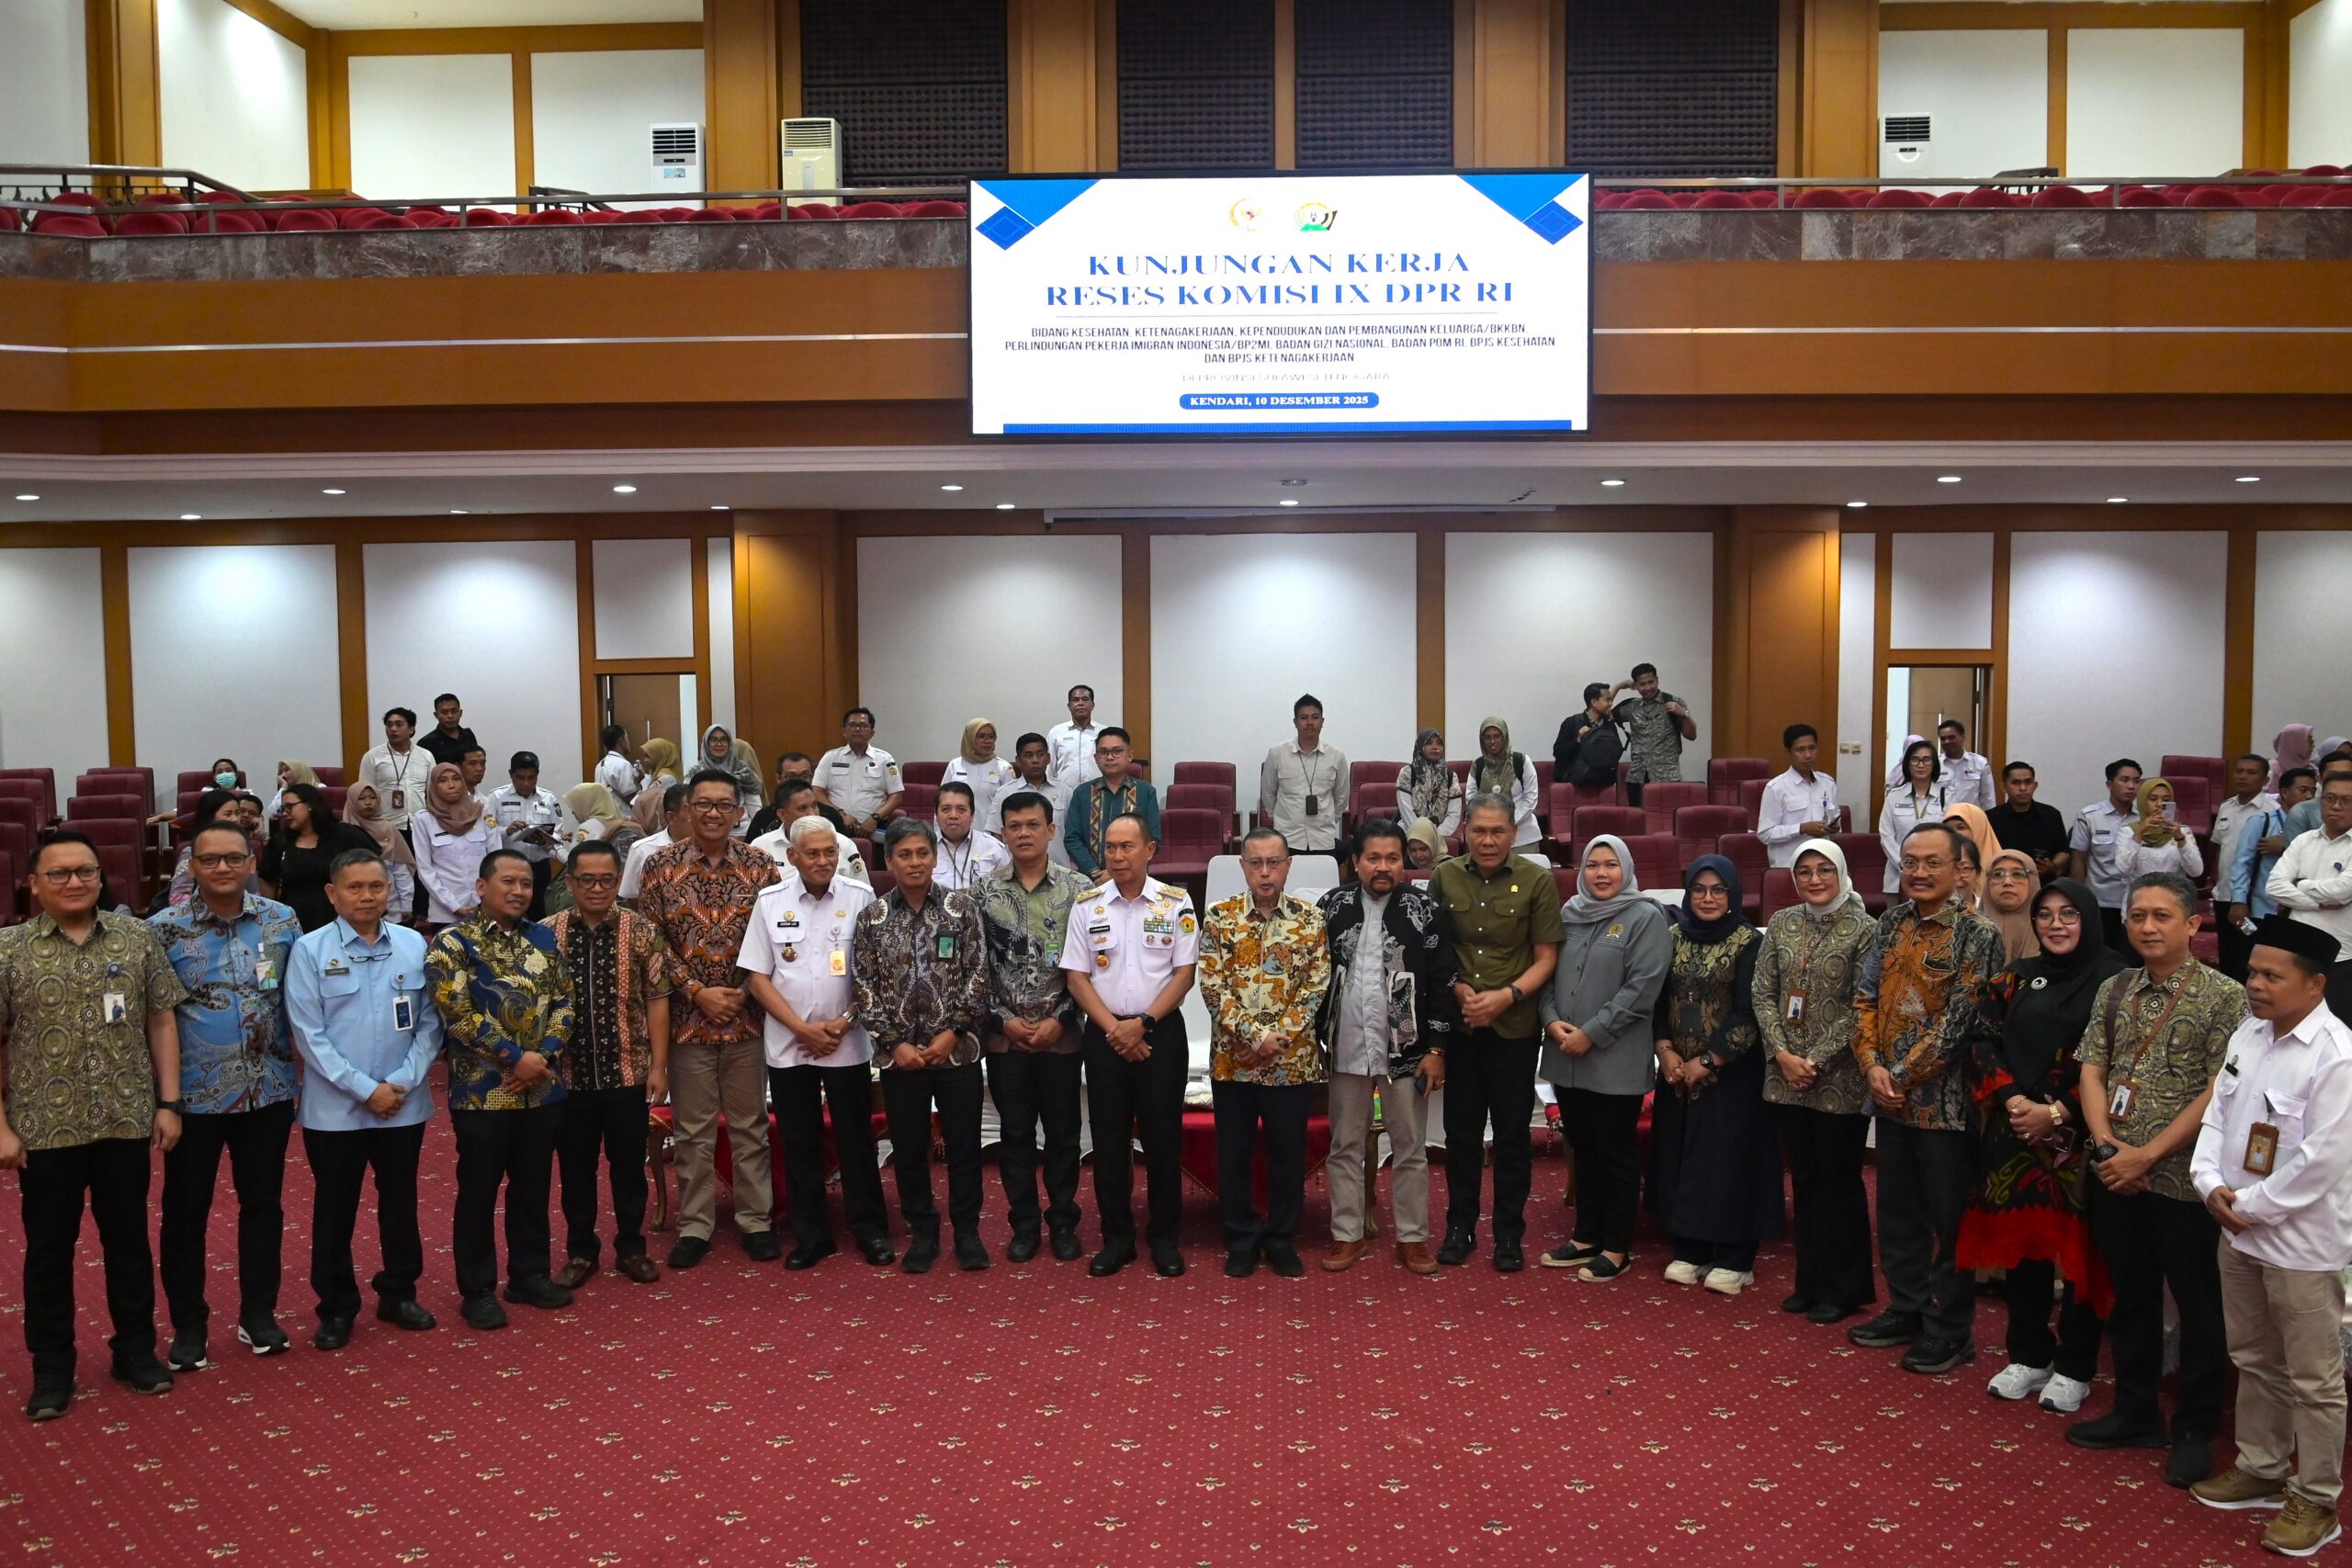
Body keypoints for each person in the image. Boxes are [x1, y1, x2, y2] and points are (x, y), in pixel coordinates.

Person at [0, 832, 187, 1418]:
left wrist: (169, 1103)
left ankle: (134, 1352)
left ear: (103, 878)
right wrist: (0, 1127)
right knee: (49, 1253)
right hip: (43, 1128)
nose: (74, 882)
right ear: (34, 884)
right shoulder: (8, 950)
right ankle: (52, 1369)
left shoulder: (136, 936)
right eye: (58, 874)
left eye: (85, 871)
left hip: (125, 1119)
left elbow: (160, 1019)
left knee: (128, 1244)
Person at [2071, 871, 2247, 1485]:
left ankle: (2195, 1427)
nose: (2147, 926)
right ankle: (2135, 1408)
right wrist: (2107, 1147)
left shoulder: (2227, 997)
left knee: (2200, 1308)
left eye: (2162, 916)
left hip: (2181, 1180)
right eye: (2138, 915)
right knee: (2132, 1296)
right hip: (2116, 1170)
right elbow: (2093, 1068)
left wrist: (2146, 1155)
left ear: (2193, 924)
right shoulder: (2116, 986)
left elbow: (2218, 1091)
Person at [2188, 916, 2352, 1555]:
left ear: (2314, 985)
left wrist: (2247, 1205)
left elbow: (2323, 1162)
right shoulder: (2249, 1033)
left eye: (2269, 975)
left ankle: (2316, 1499)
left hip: (2301, 1243)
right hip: (2239, 1226)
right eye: (2252, 971)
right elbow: (2218, 1113)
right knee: (2254, 1357)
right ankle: (2261, 1464)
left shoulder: (2337, 1054)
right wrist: (2208, 1183)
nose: (2253, 983)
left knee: (2314, 1378)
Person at [1961, 878, 2125, 1416]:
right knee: (2025, 1246)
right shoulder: (2017, 976)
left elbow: (2120, 1063)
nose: (2056, 925)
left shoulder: (2117, 980)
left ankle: (2076, 1364)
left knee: (2081, 1254)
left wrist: (2056, 1112)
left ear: (2089, 920)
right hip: (2016, 1136)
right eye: (2046, 915)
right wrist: (2012, 1101)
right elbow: (1982, 1037)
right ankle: (2028, 1353)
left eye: (2069, 915)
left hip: (2083, 1138)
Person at [1848, 822, 2006, 1375]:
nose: (1918, 872)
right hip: (1889, 1100)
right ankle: (1907, 1308)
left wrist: (1898, 1075)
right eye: (1910, 861)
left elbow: (1958, 1023)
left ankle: (1950, 1329)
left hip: (1945, 1105)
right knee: (1897, 1214)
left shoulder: (1977, 934)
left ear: (1960, 869)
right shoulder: (1889, 921)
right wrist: (1870, 1066)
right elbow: (1863, 997)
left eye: (1931, 862)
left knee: (1949, 1222)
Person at [148, 823, 304, 1368]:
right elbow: (155, 1018)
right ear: (191, 866)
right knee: (185, 1212)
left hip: (269, 1089)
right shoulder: (162, 931)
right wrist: (161, 1100)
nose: (221, 869)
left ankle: (258, 1314)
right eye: (209, 860)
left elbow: (296, 1000)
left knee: (262, 1206)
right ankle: (189, 1326)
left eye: (233, 859)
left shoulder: (281, 920)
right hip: (193, 1097)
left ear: (250, 861)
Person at [284, 850, 441, 1351]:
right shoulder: (309, 951)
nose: (368, 896)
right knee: (335, 1210)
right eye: (355, 888)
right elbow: (308, 1034)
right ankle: (335, 1307)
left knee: (400, 1205)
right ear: (332, 894)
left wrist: (400, 1083)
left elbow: (431, 1022)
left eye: (376, 886)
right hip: (335, 1110)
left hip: (402, 1103)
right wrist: (364, 1089)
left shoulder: (414, 945)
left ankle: (399, 1292)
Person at [632, 769, 780, 1269]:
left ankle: (755, 1220)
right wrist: (697, 991)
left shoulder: (762, 866)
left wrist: (737, 993)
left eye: (724, 805)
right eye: (704, 804)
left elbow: (777, 940)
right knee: (693, 1131)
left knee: (750, 1126)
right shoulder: (659, 867)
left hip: (747, 1017)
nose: (714, 813)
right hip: (687, 1021)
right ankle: (695, 1226)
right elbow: (651, 943)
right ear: (686, 810)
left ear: (740, 812)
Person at [426, 851, 575, 1330]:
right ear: (481, 886)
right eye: (508, 882)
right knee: (479, 1190)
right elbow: (458, 1015)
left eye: (526, 884)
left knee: (533, 1187)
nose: (518, 891)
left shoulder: (543, 937)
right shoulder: (453, 943)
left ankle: (529, 1274)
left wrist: (545, 1057)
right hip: (482, 1091)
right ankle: (477, 1288)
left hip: (542, 1089)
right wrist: (517, 1058)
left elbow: (564, 1003)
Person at [741, 816, 893, 1269]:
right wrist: (803, 1029)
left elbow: (875, 974)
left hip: (847, 1041)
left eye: (830, 852)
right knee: (799, 1140)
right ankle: (812, 1235)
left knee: (856, 1140)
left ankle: (870, 1229)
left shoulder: (862, 897)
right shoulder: (769, 901)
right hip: (791, 1045)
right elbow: (756, 976)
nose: (824, 861)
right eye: (813, 853)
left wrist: (845, 1022)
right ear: (793, 857)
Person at [1318, 818, 1458, 1275]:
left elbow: (1443, 983)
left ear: (1405, 862)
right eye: (1373, 858)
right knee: (1345, 1145)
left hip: (1408, 1050)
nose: (1383, 867)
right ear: (1355, 862)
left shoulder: (1425, 909)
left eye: (1392, 858)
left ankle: (1413, 1238)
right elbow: (1314, 980)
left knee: (1410, 1146)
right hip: (1344, 1046)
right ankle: (1347, 1234)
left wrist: (1437, 1048)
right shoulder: (1330, 907)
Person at [1060, 812, 1198, 1278]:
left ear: (1149, 850)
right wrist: (1116, 1030)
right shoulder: (1087, 905)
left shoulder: (1176, 903)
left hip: (1160, 1034)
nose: (1117, 856)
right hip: (1104, 1037)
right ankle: (1117, 1239)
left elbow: (1185, 974)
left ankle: (1164, 1238)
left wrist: (1141, 1023)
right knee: (1109, 1142)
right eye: (1111, 848)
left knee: (1162, 1140)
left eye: (1127, 847)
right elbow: (1076, 977)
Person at [850, 819, 991, 1274]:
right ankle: (923, 1233)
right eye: (904, 855)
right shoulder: (872, 917)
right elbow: (863, 987)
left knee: (964, 1148)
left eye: (922, 853)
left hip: (957, 1053)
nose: (915, 862)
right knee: (909, 1150)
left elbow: (979, 976)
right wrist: (894, 1044)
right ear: (888, 861)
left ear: (934, 856)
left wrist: (953, 1031)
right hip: (901, 1060)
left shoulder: (961, 908)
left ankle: (967, 1233)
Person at [1430, 793, 1564, 1271]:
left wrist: (1506, 997)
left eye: (1498, 832)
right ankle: (1460, 1228)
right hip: (1462, 1028)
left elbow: (1547, 957)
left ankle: (1509, 1234)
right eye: (1479, 831)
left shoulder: (1537, 879)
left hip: (1515, 1028)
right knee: (1460, 1137)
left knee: (1511, 1137)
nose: (1488, 841)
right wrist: (1460, 989)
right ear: (1465, 830)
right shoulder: (1445, 875)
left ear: (1514, 833)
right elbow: (1434, 950)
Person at [1537, 834, 1672, 1282]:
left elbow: (1642, 989)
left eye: (1611, 865)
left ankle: (1616, 1245)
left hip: (1613, 1059)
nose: (1601, 873)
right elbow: (1547, 973)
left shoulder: (1644, 918)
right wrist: (1551, 1020)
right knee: (1584, 1147)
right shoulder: (1569, 914)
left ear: (1627, 870)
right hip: (1566, 1056)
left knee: (1615, 1153)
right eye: (1593, 864)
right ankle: (1585, 1235)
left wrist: (1591, 1035)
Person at [1755, 839, 1879, 1324]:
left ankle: (1844, 1288)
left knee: (1839, 1180)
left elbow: (1861, 1003)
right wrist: (1783, 1054)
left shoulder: (1866, 928)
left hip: (1839, 1078)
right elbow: (1763, 991)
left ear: (1840, 871)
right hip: (1786, 1075)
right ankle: (1809, 1282)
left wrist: (1814, 1059)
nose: (1814, 879)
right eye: (1804, 870)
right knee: (1804, 1180)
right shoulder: (1783, 923)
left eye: (1824, 869)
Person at [1197, 829, 1331, 1279]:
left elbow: (1315, 987)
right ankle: (1239, 1238)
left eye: (1274, 862)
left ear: (1289, 865)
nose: (1265, 872)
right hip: (1233, 1061)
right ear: (1242, 866)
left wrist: (1277, 1039)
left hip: (1290, 1063)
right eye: (1256, 863)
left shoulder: (1310, 921)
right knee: (1233, 1154)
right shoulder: (1219, 918)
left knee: (1287, 1155)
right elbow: (1212, 986)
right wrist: (1254, 1038)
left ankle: (1280, 1238)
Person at [1646, 857, 1777, 1295]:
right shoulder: (1671, 938)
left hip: (1732, 1074)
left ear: (1734, 894)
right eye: (1699, 889)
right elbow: (1656, 1000)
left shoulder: (1749, 942)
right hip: (1677, 1074)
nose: (1707, 897)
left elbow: (1749, 1012)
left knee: (1729, 1160)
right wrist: (1665, 1052)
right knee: (1682, 1155)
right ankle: (1691, 1248)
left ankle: (1737, 1257)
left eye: (1718, 889)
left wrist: (1708, 1061)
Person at [544, 840, 670, 1290]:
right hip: (567, 1077)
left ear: (618, 880)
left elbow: (657, 1001)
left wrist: (659, 1065)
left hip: (628, 1072)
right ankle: (581, 1251)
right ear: (571, 882)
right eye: (587, 880)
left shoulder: (642, 931)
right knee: (575, 1169)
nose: (597, 888)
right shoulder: (546, 933)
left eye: (606, 879)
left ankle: (632, 1248)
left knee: (628, 1166)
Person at [975, 789, 1092, 1263]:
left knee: (1064, 1137)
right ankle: (1024, 1225)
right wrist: (1005, 1022)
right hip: (1005, 1040)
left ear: (1051, 830)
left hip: (1061, 1037)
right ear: (1002, 833)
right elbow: (973, 968)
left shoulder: (1080, 889)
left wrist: (1061, 1019)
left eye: (1032, 825)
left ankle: (1063, 1221)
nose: (1023, 833)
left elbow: (1089, 967)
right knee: (1016, 1137)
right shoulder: (982, 893)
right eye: (1014, 826)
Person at [2267, 769, 2352, 1016]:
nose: (2335, 806)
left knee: (2340, 1032)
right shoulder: (2304, 840)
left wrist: (2301, 885)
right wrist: (2316, 903)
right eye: (2329, 798)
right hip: (2296, 952)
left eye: (2346, 800)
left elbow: (2342, 890)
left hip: (2342, 956)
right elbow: (2274, 886)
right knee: (2292, 1022)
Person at [2226, 767, 2318, 981]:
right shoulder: (2263, 822)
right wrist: (2238, 900)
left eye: (2313, 791)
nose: (2309, 796)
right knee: (2255, 967)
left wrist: (2285, 846)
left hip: (2300, 910)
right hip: (2262, 908)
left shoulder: (2315, 827)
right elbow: (2242, 863)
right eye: (2303, 790)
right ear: (2284, 792)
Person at [261, 782, 369, 933]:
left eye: (290, 807)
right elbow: (267, 878)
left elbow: (371, 868)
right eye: (283, 809)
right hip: (293, 920)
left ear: (310, 804)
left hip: (340, 917)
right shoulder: (281, 841)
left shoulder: (345, 834)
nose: (286, 813)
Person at [2210, 754, 2278, 981]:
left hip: (2252, 899)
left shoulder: (2271, 810)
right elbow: (2219, 847)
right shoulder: (2226, 807)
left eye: (2251, 772)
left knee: (2250, 956)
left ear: (2264, 779)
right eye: (2239, 771)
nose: (2243, 776)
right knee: (2227, 955)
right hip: (2224, 894)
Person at [1259, 694, 1348, 855]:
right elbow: (1268, 793)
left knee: (1324, 881)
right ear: (1295, 722)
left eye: (1315, 717)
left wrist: (1328, 820)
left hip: (1323, 839)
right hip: (1287, 838)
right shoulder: (1277, 753)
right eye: (1304, 717)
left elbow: (1341, 797)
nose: (1310, 723)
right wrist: (1280, 819)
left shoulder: (1336, 756)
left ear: (1322, 722)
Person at [411, 762, 497, 931]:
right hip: (445, 913)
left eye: (456, 779)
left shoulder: (483, 813)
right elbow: (425, 869)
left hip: (485, 907)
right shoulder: (424, 819)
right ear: (434, 786)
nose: (451, 785)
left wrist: (485, 902)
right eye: (443, 781)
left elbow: (496, 860)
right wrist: (453, 906)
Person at [2071, 757, 2145, 950]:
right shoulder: (2090, 816)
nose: (2131, 786)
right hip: (2100, 901)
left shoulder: (2145, 819)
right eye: (2125, 780)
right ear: (2109, 784)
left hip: (2135, 902)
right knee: (2099, 954)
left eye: (2136, 781)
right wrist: (2079, 900)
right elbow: (2079, 859)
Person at [1065, 728, 1159, 877]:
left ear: (1129, 756)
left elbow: (1153, 838)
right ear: (1096, 758)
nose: (1110, 757)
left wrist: (1115, 873)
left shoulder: (1146, 792)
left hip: (1134, 877)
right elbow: (1072, 838)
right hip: (1092, 879)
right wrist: (1095, 872)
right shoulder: (1082, 793)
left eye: (1117, 751)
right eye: (1103, 752)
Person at [485, 750, 569, 919]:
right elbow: (486, 833)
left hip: (539, 866)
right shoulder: (496, 797)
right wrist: (507, 831)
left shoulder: (549, 798)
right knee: (508, 914)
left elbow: (558, 833)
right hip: (508, 867)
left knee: (540, 914)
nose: (525, 783)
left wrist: (545, 839)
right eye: (520, 777)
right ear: (511, 775)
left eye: (531, 778)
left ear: (537, 775)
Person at [752, 779, 870, 884]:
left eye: (814, 806)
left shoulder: (844, 844)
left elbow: (862, 895)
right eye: (802, 808)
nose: (812, 814)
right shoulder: (760, 847)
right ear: (782, 815)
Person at [1758, 724, 1840, 870]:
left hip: (1823, 864)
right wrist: (1801, 828)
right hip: (1789, 867)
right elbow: (1765, 834)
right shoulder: (1776, 788)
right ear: (1788, 752)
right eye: (1800, 750)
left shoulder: (1827, 783)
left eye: (1812, 748)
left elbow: (1836, 828)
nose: (1808, 755)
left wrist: (1833, 828)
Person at [1610, 662, 1697, 796]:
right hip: (1636, 776)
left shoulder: (1673, 702)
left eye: (1651, 682)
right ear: (1636, 686)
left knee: (1665, 817)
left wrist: (1684, 714)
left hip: (1667, 776)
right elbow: (1603, 713)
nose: (1648, 688)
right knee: (1636, 816)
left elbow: (1691, 735)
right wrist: (1619, 686)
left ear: (1657, 680)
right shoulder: (1633, 707)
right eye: (1642, 684)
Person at [814, 706, 902, 839]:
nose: (857, 729)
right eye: (852, 725)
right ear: (844, 731)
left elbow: (896, 795)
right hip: (835, 826)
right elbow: (817, 791)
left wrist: (874, 819)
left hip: (875, 828)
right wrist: (840, 815)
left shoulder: (885, 759)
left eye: (863, 726)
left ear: (872, 733)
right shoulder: (830, 758)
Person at [340, 784, 419, 924]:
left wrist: (407, 905)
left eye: (372, 797)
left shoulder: (388, 828)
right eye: (362, 798)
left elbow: (401, 872)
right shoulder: (342, 831)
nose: (368, 802)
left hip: (391, 909)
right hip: (354, 908)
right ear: (351, 802)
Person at [1877, 739, 1948, 894]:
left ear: (1934, 764)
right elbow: (1886, 835)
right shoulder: (1894, 796)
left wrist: (1930, 866)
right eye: (1915, 760)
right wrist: (1905, 865)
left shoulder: (1948, 796)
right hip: (1898, 877)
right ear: (1907, 764)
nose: (1921, 765)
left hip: (1935, 876)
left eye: (1926, 760)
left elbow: (1951, 836)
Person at [1990, 761, 2072, 882]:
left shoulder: (2051, 815)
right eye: (2016, 783)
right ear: (2004, 787)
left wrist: (2052, 865)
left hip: (2043, 883)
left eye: (2028, 782)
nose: (2023, 788)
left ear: (2035, 785)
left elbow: (2064, 851)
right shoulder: (1991, 818)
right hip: (2004, 883)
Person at [1465, 717, 1540, 850]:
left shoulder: (1521, 761)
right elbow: (1471, 799)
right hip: (1488, 836)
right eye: (1487, 737)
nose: (1492, 741)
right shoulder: (1478, 766)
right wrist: (1491, 823)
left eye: (1496, 736)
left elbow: (1531, 798)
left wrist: (1508, 821)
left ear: (1504, 737)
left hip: (1522, 837)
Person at [2115, 777, 2206, 883]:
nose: (2159, 804)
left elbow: (2196, 871)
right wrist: (2139, 833)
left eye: (2166, 800)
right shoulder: (2128, 831)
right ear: (2143, 801)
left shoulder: (2182, 831)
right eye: (2153, 799)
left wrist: (2180, 839)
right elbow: (2123, 870)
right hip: (2141, 895)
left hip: (2173, 895)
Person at [1008, 731, 1075, 867]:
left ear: (1049, 758)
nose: (1035, 760)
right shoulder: (1005, 793)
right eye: (1028, 755)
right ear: (1018, 760)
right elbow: (997, 837)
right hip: (1017, 873)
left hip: (1060, 871)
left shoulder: (1065, 791)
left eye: (1040, 754)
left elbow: (1074, 835)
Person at [359, 707, 428, 835]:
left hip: (419, 825)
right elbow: (364, 792)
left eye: (399, 724)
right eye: (389, 725)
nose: (393, 729)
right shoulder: (372, 756)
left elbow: (432, 792)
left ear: (411, 729)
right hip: (386, 825)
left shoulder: (426, 756)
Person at [932, 781, 1011, 891]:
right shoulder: (925, 848)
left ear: (972, 815)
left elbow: (1009, 891)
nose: (953, 816)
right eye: (946, 809)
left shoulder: (994, 848)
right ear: (936, 815)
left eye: (961, 810)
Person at [943, 717, 1019, 832]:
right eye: (981, 736)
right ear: (970, 738)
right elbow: (942, 801)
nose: (987, 741)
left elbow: (1013, 806)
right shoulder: (955, 765)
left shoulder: (1003, 768)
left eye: (991, 737)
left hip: (993, 836)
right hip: (957, 833)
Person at [617, 784, 688, 902]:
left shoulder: (711, 847)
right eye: (691, 812)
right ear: (671, 817)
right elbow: (633, 897)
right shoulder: (642, 849)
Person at [1552, 682, 1623, 795]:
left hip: (1603, 784)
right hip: (1574, 784)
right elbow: (1558, 752)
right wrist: (1578, 740)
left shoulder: (1610, 725)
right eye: (1607, 700)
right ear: (1594, 702)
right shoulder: (1572, 722)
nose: (1611, 704)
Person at [1396, 728, 1464, 841]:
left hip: (1440, 835)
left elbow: (1454, 814)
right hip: (1409, 831)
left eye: (1439, 743)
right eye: (1429, 743)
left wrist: (1436, 837)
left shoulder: (1451, 776)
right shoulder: (1407, 773)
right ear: (1420, 746)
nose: (1435, 747)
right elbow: (1406, 810)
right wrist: (1420, 834)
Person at [1981, 848, 2043, 964]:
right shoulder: (1966, 929)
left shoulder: (2050, 931)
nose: (2007, 882)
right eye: (1998, 874)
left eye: (2018, 874)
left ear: (2033, 880)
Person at [698, 725, 763, 832]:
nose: (719, 744)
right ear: (706, 743)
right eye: (713, 740)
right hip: (707, 830)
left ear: (730, 744)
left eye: (724, 740)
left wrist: (756, 832)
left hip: (741, 832)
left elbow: (754, 806)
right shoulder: (696, 772)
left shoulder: (743, 769)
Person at [1046, 683, 1103, 792]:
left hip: (1098, 791)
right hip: (1064, 792)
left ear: (1093, 705)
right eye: (1076, 700)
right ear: (1069, 706)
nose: (1080, 703)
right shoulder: (1056, 732)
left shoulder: (1103, 732)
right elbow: (1050, 767)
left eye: (1085, 699)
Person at [1935, 719, 1995, 810]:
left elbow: (1988, 798)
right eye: (1943, 739)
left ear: (1962, 737)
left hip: (1971, 819)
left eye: (1951, 737)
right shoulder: (1935, 763)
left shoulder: (1980, 763)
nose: (1947, 741)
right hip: (1941, 819)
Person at [418, 693, 479, 769]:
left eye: (454, 711)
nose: (450, 716)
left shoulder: (468, 735)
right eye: (444, 712)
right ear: (436, 715)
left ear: (460, 713)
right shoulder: (426, 743)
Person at [594, 725, 640, 803]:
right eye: (627, 738)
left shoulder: (599, 765)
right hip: (621, 813)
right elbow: (631, 798)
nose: (628, 742)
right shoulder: (623, 764)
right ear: (621, 740)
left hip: (604, 811)